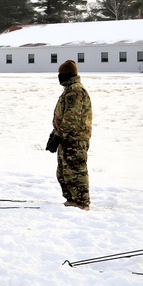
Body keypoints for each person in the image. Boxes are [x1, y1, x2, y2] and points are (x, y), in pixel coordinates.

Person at [47, 59, 92, 211]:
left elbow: (71, 117)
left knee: (76, 171)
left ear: (67, 75)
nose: (59, 77)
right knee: (64, 172)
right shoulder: (69, 90)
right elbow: (63, 116)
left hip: (75, 139)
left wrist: (59, 135)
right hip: (66, 138)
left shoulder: (75, 91)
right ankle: (72, 199)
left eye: (61, 74)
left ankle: (82, 202)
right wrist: (54, 135)